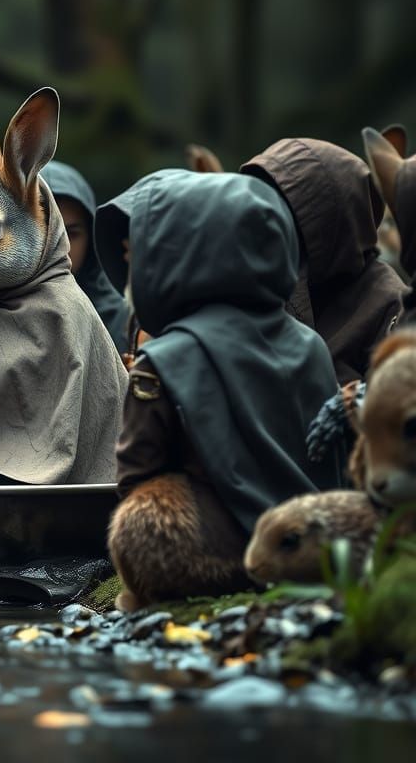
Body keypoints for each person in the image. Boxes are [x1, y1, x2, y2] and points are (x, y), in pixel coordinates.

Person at [98, 171, 343, 608]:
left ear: (179, 260)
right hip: (308, 550)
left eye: (139, 255)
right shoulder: (311, 345)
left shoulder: (166, 359)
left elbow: (136, 473)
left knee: (139, 517)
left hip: (213, 557)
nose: (130, 266)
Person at [241, 138, 406, 384]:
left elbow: (389, 410)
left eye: (281, 210)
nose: (267, 224)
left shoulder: (388, 305)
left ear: (327, 222)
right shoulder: (254, 284)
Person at [40, 161, 129, 353]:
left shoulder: (122, 320)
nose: (59, 248)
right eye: (43, 233)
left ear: (92, 237)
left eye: (71, 234)